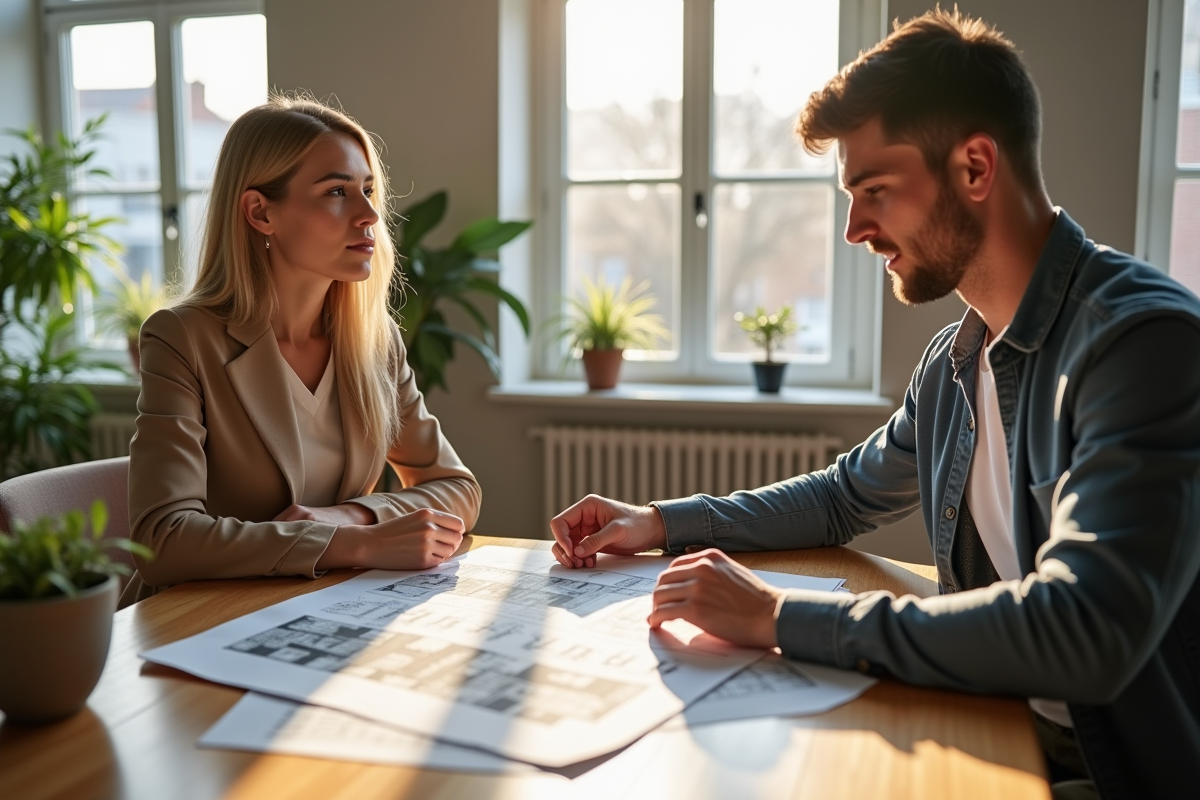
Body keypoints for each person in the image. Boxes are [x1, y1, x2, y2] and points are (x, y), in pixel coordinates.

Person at [549, 11, 1200, 800]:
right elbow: (843, 497)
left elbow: (1087, 628)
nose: (855, 228)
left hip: (1116, 772)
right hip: (998, 725)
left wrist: (776, 618)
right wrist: (658, 520)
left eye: (875, 192)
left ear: (974, 167)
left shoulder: (1141, 344)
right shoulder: (955, 363)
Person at [122, 96, 480, 608]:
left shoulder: (374, 343)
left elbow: (457, 488)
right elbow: (163, 540)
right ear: (260, 212)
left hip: (323, 609)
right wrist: (355, 544)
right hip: (199, 617)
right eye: (336, 191)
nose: (369, 215)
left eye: (368, 189)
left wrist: (352, 516)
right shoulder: (182, 338)